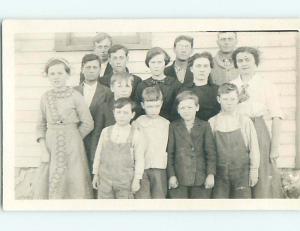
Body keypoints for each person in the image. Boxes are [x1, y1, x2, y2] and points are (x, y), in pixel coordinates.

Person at [34, 58, 94, 199]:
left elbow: (88, 123)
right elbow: (40, 124)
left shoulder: (75, 96)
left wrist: (74, 137)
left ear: (67, 75)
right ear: (47, 76)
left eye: (60, 73)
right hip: (51, 145)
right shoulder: (45, 97)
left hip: (73, 145)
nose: (56, 77)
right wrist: (43, 149)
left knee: (74, 179)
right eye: (52, 74)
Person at [231, 46, 284, 198]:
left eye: (247, 59)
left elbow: (276, 116)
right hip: (238, 130)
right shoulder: (232, 85)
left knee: (261, 170)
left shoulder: (267, 85)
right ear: (236, 64)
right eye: (240, 60)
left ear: (256, 62)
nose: (244, 63)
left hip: (259, 129)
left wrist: (274, 147)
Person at [209, 83, 260, 199]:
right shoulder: (212, 122)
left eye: (232, 99)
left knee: (242, 207)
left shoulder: (245, 121)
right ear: (218, 99)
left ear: (238, 99)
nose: (229, 102)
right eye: (225, 99)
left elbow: (254, 148)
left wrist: (254, 170)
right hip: (220, 175)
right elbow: (209, 151)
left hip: (242, 173)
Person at [92, 98, 146, 199]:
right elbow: (98, 154)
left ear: (132, 115)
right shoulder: (106, 131)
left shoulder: (136, 134)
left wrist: (137, 179)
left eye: (125, 113)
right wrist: (95, 174)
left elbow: (139, 159)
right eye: (118, 112)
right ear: (114, 113)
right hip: (104, 180)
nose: (121, 116)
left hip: (125, 182)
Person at [167, 91, 216, 199]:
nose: (186, 111)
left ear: (197, 107)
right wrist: (171, 175)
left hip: (200, 177)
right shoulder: (173, 126)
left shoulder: (205, 126)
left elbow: (211, 153)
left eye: (190, 107)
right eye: (182, 108)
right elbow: (170, 153)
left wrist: (210, 174)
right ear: (178, 110)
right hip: (179, 177)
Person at [74, 54, 112, 174]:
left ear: (100, 70)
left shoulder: (107, 92)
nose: (91, 70)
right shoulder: (73, 91)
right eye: (88, 67)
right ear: (82, 69)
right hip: (78, 138)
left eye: (94, 67)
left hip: (98, 139)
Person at [90, 73, 142, 153]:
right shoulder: (104, 107)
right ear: (112, 88)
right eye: (119, 86)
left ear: (132, 88)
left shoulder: (136, 108)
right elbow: (96, 135)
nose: (124, 89)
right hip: (108, 152)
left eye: (127, 86)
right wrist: (95, 158)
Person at [134, 87, 170, 198]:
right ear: (143, 105)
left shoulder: (166, 123)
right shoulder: (137, 122)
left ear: (162, 104)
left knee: (159, 198)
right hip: (141, 168)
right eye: (149, 107)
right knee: (142, 198)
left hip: (159, 167)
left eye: (156, 106)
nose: (153, 110)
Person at [135, 47, 181, 121]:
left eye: (159, 62)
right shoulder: (142, 85)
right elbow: (138, 110)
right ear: (148, 64)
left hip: (169, 124)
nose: (156, 66)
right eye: (153, 62)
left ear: (165, 63)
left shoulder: (175, 85)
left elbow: (177, 110)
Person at [179, 52, 220, 121]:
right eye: (198, 66)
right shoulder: (183, 90)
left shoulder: (218, 90)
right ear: (191, 69)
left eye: (205, 66)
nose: (202, 70)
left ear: (210, 69)